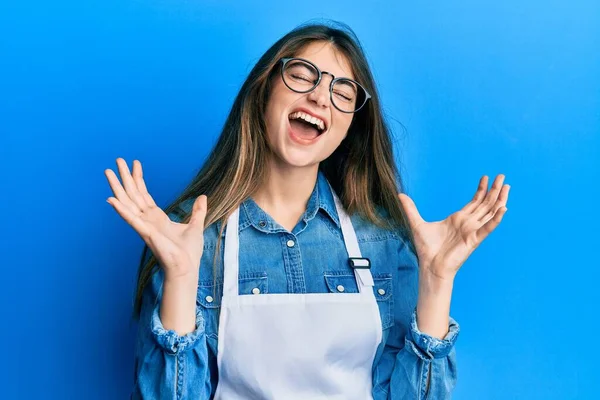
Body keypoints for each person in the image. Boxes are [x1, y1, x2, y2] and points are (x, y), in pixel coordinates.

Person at [105, 20, 510, 400]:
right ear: (264, 91)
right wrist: (179, 276)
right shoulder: (194, 236)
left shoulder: (383, 241)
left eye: (343, 93)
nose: (319, 96)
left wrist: (437, 281)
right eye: (301, 76)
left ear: (350, 126)